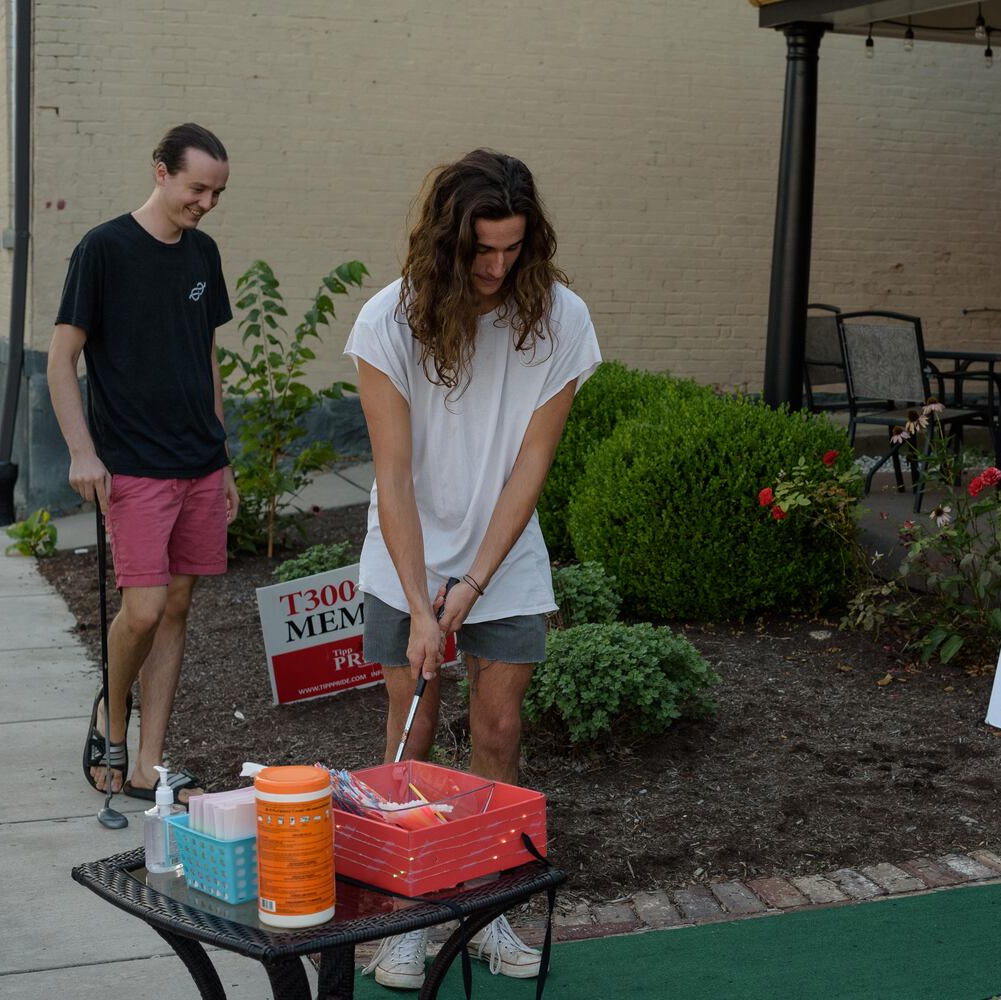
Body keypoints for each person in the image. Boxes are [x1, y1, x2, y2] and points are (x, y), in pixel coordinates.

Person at [349, 149, 600, 990]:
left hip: (504, 554)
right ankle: (402, 923)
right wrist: (423, 606)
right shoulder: (387, 321)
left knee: (496, 733)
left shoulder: (561, 319)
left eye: (513, 249)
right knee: (410, 738)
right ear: (447, 245)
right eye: (481, 251)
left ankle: (487, 913)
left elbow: (531, 467)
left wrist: (477, 583)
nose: (497, 268)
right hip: (406, 553)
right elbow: (392, 476)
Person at [51, 123, 236, 805]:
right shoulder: (103, 249)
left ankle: (146, 764)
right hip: (133, 462)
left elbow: (205, 356)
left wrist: (224, 454)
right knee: (144, 608)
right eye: (197, 188)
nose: (207, 203)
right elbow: (60, 361)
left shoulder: (203, 253)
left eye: (217, 192)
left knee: (178, 607)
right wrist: (81, 451)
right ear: (160, 171)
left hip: (199, 460)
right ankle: (111, 714)